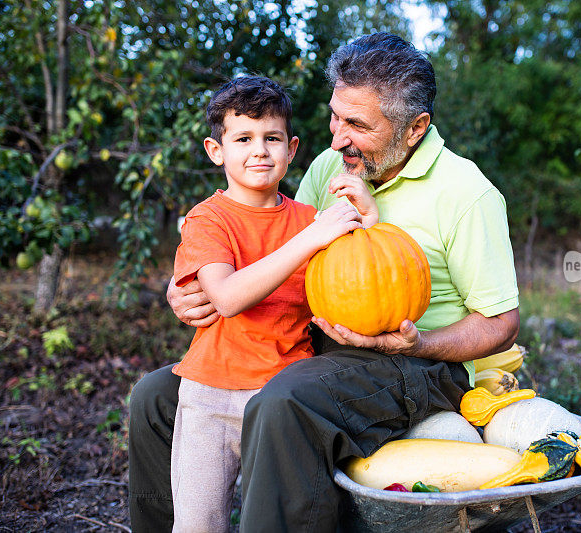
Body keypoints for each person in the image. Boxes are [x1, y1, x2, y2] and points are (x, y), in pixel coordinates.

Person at [129, 32, 520, 533]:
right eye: (336, 116)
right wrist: (188, 284)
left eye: (356, 124)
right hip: (322, 343)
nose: (336, 138)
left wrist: (421, 343)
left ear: (415, 128)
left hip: (414, 363)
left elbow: (501, 323)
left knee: (285, 401)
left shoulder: (466, 193)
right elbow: (276, 245)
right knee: (158, 395)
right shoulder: (330, 167)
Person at [163, 75, 374, 532]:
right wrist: (313, 237)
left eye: (271, 138)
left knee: (272, 520)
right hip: (210, 395)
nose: (259, 150)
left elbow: (366, 277)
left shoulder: (307, 219)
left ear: (291, 148)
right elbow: (227, 296)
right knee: (198, 523)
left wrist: (367, 214)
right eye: (243, 138)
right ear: (216, 150)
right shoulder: (208, 219)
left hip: (282, 400)